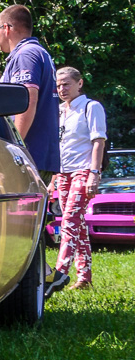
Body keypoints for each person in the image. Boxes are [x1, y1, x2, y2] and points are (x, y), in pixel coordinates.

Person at [0, 5, 60, 179]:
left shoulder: (26, 55)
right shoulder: (36, 52)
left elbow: (28, 100)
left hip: (28, 156)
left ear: (5, 28)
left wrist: (16, 149)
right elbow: (5, 102)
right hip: (36, 155)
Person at [46, 67, 107, 295]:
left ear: (79, 83)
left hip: (83, 170)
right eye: (59, 85)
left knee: (70, 221)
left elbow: (98, 142)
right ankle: (85, 277)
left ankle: (58, 274)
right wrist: (53, 177)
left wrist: (94, 172)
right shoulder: (59, 111)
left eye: (67, 84)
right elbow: (57, 146)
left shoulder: (91, 107)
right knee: (77, 224)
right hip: (62, 173)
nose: (62, 89)